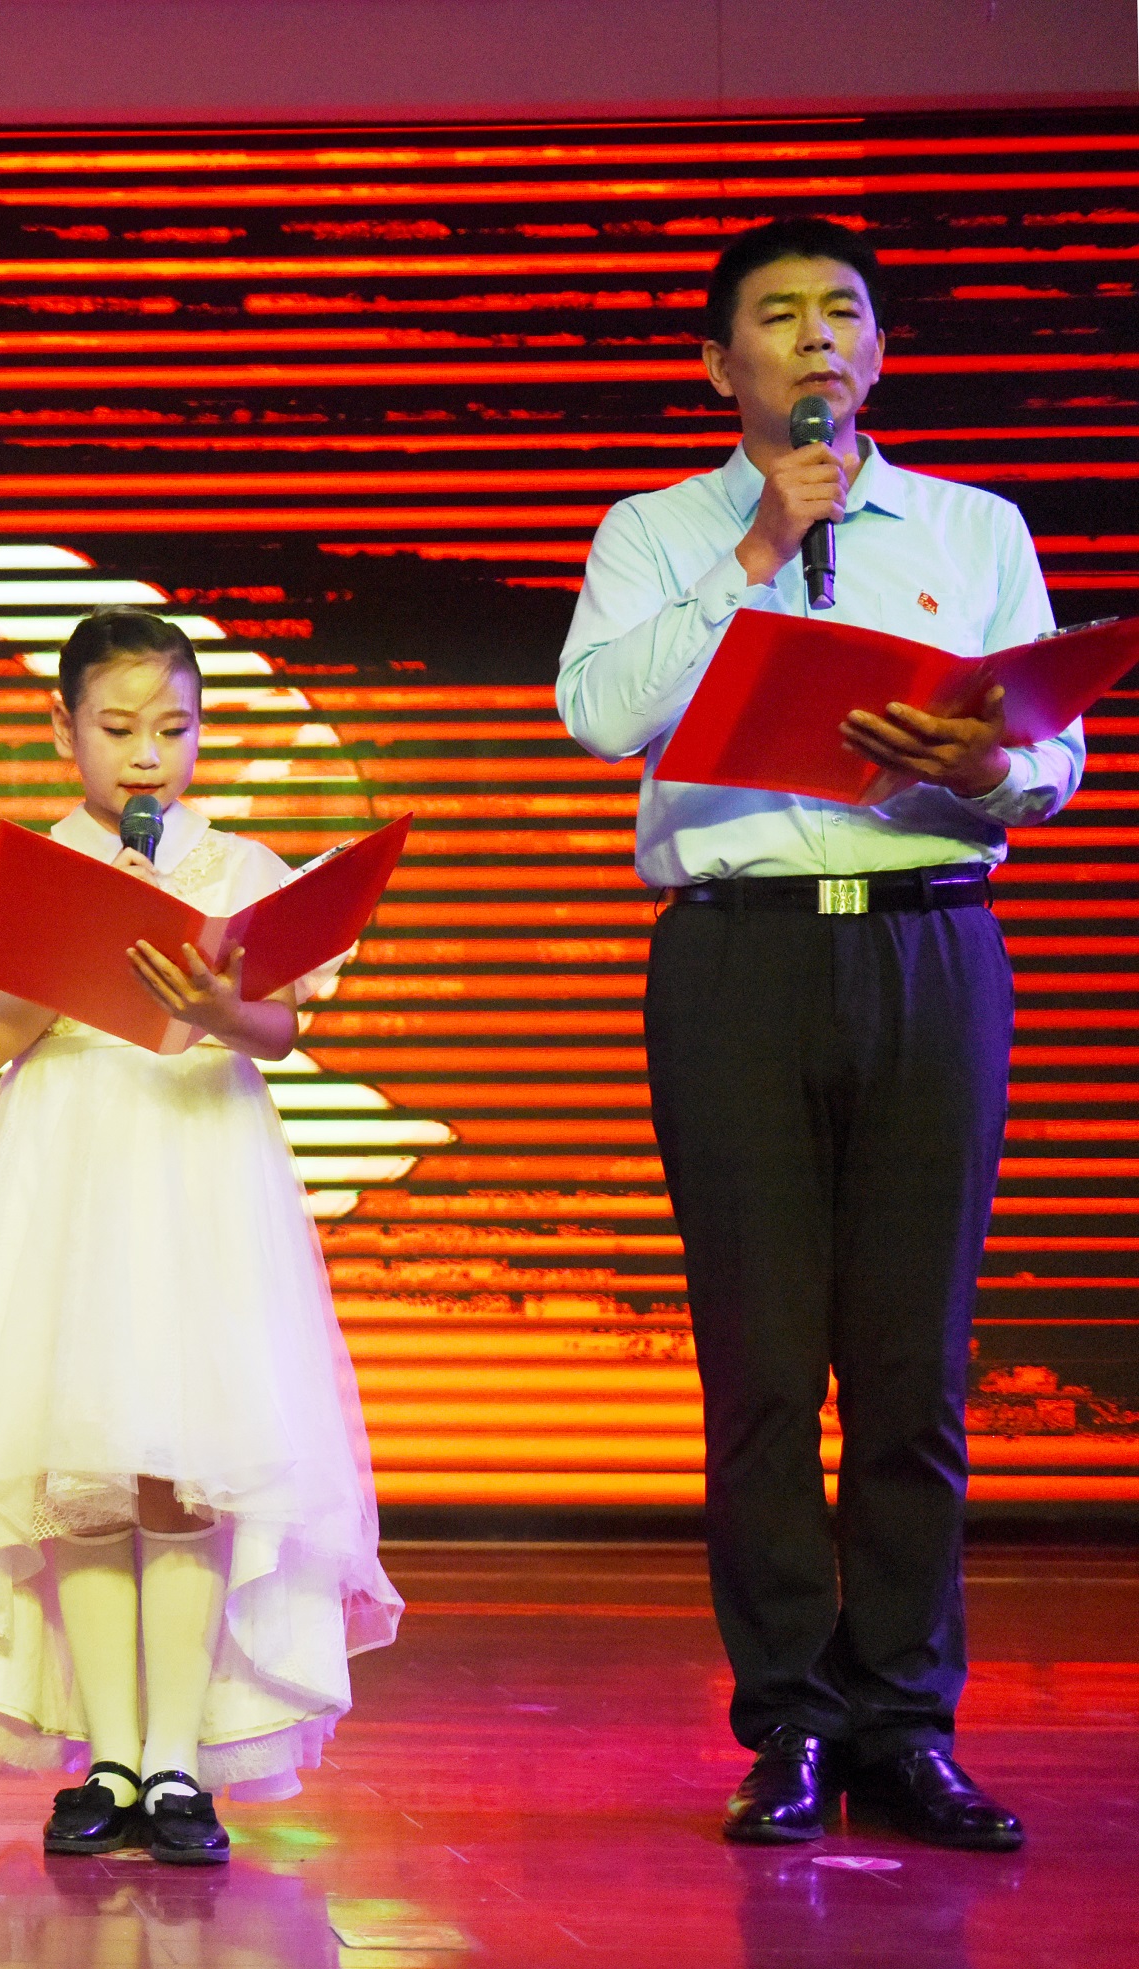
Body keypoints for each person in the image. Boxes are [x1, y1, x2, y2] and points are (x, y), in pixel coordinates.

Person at [556, 217, 1077, 1852]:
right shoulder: (655, 530)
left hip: (932, 946)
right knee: (766, 1367)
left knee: (914, 1365)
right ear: (722, 363)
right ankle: (787, 1716)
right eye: (777, 316)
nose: (815, 340)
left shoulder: (976, 527)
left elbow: (1054, 753)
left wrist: (996, 769)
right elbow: (600, 713)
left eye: (841, 313)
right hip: (742, 959)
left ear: (879, 353)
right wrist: (760, 548)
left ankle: (905, 1720)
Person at [0, 606, 401, 1864]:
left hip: (198, 1169)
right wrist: (65, 947)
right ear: (64, 728)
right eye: (119, 728)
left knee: (192, 1468)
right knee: (79, 1467)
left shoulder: (236, 865)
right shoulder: (23, 871)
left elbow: (280, 1028)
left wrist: (221, 1006)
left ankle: (179, 1761)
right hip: (69, 1173)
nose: (146, 756)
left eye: (173, 730)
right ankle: (110, 1756)